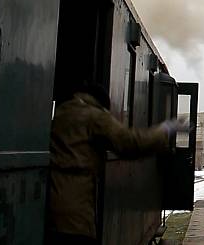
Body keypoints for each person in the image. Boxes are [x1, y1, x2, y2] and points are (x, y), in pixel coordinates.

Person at [46, 82, 186, 244]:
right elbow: (131, 143)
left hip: (53, 202)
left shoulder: (63, 112)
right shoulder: (94, 115)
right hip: (75, 208)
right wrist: (166, 129)